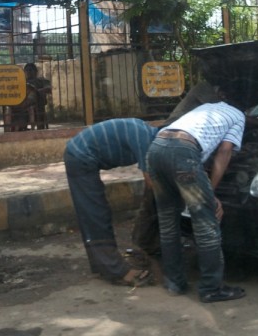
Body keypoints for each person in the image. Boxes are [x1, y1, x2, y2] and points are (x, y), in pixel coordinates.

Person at [147, 101, 246, 303]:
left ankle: (174, 283)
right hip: (182, 152)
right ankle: (211, 288)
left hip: (156, 149)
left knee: (168, 223)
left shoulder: (207, 106)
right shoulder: (238, 115)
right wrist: (211, 192)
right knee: (205, 223)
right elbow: (225, 151)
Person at [64, 118, 159, 286]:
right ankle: (115, 271)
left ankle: (104, 264)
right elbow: (151, 181)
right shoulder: (145, 139)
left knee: (96, 211)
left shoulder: (146, 131)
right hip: (80, 156)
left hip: (81, 153)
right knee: (95, 214)